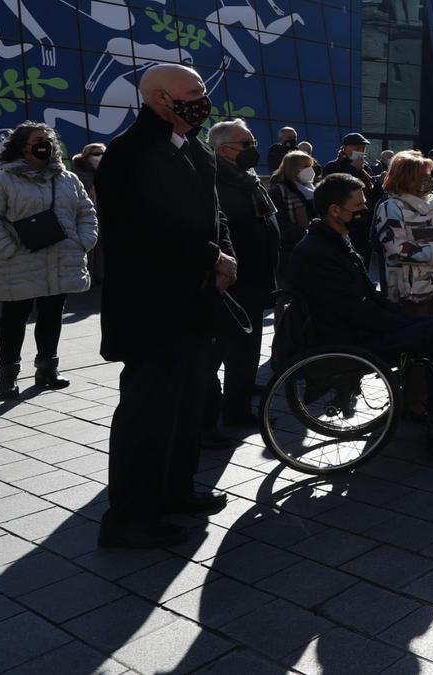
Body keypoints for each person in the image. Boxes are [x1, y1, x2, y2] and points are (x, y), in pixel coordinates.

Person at [96, 64, 235, 548]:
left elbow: (211, 214)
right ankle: (130, 517)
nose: (203, 97)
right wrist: (211, 256)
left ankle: (176, 492)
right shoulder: (130, 151)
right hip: (150, 308)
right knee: (147, 412)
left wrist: (223, 253)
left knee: (188, 403)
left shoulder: (195, 147)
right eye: (193, 92)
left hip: (194, 305)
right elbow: (144, 227)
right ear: (159, 97)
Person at [286, 173, 433, 430]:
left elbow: (364, 295)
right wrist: (397, 321)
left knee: (428, 327)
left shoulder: (333, 241)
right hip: (344, 337)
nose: (365, 210)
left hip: (351, 326)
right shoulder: (319, 252)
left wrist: (397, 314)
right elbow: (350, 308)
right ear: (335, 210)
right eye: (358, 207)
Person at [0, 121, 98, 400]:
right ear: (22, 146)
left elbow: (86, 214)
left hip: (60, 260)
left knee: (52, 316)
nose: (47, 145)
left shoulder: (68, 179)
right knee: (14, 319)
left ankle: (47, 370)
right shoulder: (1, 181)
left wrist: (82, 242)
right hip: (19, 262)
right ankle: (7, 376)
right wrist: (7, 247)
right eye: (39, 140)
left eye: (49, 140)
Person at [204, 118, 279, 430]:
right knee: (218, 352)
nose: (254, 150)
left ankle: (239, 402)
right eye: (246, 144)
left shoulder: (246, 177)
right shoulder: (213, 181)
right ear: (223, 150)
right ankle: (212, 414)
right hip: (232, 283)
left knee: (246, 351)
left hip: (255, 281)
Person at [373, 150, 433, 316]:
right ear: (406, 178)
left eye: (427, 174)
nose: (428, 179)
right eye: (422, 175)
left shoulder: (431, 203)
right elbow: (397, 250)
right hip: (409, 292)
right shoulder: (391, 207)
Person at [320, 132, 376, 259]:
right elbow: (334, 191)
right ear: (344, 148)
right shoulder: (333, 166)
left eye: (363, 148)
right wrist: (354, 169)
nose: (360, 151)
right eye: (356, 148)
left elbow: (371, 193)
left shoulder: (365, 168)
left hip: (364, 223)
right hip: (344, 222)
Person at [268, 149, 319, 282]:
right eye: (306, 167)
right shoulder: (278, 191)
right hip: (290, 251)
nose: (310, 170)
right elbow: (279, 224)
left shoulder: (312, 189)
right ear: (293, 169)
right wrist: (307, 234)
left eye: (310, 166)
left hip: (313, 249)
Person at [71, 142, 107, 284]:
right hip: (85, 217)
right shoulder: (78, 175)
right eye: (96, 154)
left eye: (103, 153)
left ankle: (99, 274)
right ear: (86, 156)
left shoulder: (107, 173)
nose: (100, 157)